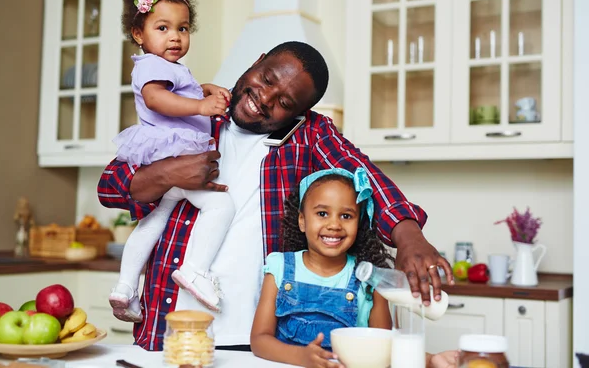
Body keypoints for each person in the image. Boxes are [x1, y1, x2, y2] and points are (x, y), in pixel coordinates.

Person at [98, 40, 455, 351]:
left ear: (300, 112)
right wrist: (167, 173)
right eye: (266, 79)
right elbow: (111, 187)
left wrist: (408, 234)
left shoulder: (309, 135)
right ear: (259, 59)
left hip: (257, 339)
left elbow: (363, 174)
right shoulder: (193, 110)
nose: (264, 98)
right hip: (168, 329)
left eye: (284, 101)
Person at [108, 0, 234, 322]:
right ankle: (195, 268)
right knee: (221, 207)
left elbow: (176, 90)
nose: (175, 37)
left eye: (182, 28)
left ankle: (125, 288)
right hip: (173, 155)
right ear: (138, 33)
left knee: (153, 220)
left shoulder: (167, 67)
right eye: (162, 28)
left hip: (170, 155)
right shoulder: (152, 66)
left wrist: (203, 88)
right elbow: (157, 98)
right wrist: (200, 107)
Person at [251, 168, 457, 368]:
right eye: (322, 213)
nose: (334, 224)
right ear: (302, 221)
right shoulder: (280, 268)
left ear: (359, 224)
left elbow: (384, 347)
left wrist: (430, 360)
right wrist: (302, 357)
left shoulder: (371, 282)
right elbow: (259, 340)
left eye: (346, 216)